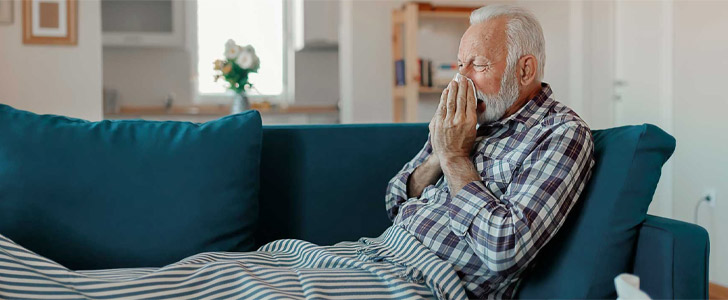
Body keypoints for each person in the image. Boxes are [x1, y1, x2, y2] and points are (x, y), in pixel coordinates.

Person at [385, 4, 595, 299]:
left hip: (418, 282)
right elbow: (393, 202)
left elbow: (504, 250)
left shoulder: (560, 133)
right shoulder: (466, 120)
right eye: (460, 66)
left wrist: (456, 159)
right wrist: (439, 154)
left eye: (479, 66)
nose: (461, 81)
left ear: (525, 70)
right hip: (378, 254)